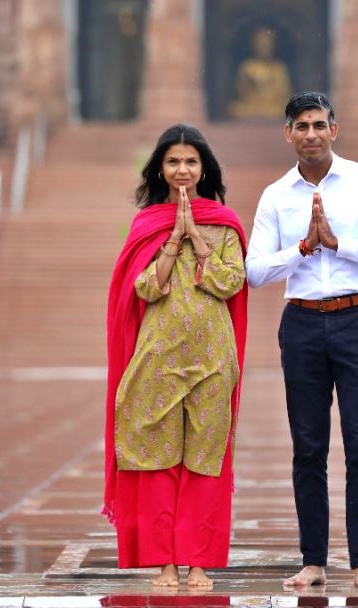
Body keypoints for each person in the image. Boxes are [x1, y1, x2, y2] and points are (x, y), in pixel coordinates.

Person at [245, 92, 358, 589]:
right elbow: (254, 270)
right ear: (288, 134)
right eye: (302, 126)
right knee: (308, 446)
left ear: (334, 130)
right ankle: (313, 560)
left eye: (320, 125)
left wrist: (342, 244)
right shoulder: (276, 195)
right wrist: (302, 249)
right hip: (301, 324)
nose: (312, 134)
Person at [102, 123, 248, 588]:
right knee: (158, 458)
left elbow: (231, 282)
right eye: (173, 162)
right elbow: (144, 287)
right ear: (160, 169)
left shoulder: (224, 223)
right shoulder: (147, 223)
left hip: (211, 356)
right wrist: (172, 241)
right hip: (158, 354)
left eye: (190, 161)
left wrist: (197, 238)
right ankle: (165, 563)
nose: (182, 169)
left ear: (204, 169)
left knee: (205, 457)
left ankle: (199, 562)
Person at [228, 27, 292, 119]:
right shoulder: (247, 66)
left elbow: (284, 94)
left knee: (287, 109)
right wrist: (250, 83)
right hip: (251, 107)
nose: (264, 47)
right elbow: (240, 93)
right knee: (234, 108)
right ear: (253, 45)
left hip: (272, 107)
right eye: (261, 44)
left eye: (267, 45)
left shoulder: (278, 67)